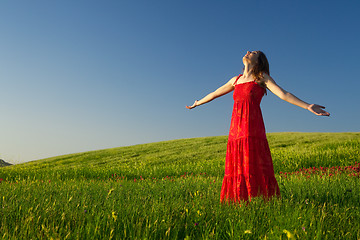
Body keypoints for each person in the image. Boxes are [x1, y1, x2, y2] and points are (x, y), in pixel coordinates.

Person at [186, 50, 330, 204]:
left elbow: (283, 94)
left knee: (251, 161)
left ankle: (259, 200)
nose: (247, 52)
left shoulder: (261, 77)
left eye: (253, 52)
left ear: (259, 61)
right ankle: (238, 201)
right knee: (238, 163)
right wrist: (198, 103)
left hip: (252, 127)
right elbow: (214, 93)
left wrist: (307, 106)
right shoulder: (235, 80)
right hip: (236, 129)